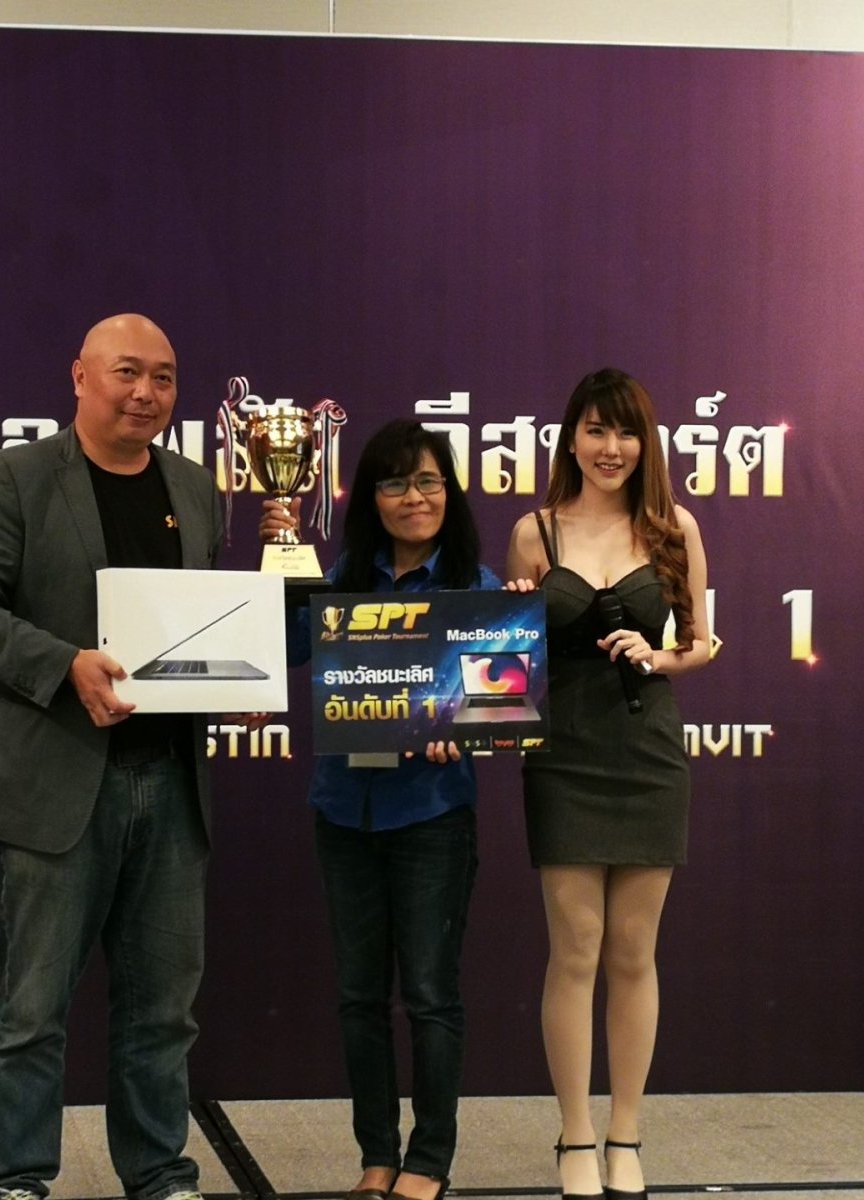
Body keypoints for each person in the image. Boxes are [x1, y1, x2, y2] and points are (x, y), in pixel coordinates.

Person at [0, 314, 219, 1200]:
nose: (147, 393)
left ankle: (159, 1172)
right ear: (80, 377)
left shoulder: (196, 487)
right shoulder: (17, 477)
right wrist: (64, 665)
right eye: (127, 372)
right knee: (32, 1011)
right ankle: (14, 1176)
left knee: (162, 1011)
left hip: (170, 783)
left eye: (164, 377)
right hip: (55, 785)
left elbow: (200, 624)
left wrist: (233, 676)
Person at [262, 420, 531, 1200]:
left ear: (449, 491)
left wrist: (460, 729)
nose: (413, 497)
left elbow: (496, 705)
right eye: (394, 483)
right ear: (371, 499)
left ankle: (429, 1160)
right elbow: (282, 648)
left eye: (427, 481)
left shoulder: (479, 590)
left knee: (430, 996)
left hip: (431, 817)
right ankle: (376, 1155)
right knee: (358, 998)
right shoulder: (343, 577)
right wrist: (279, 562)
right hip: (343, 813)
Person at [505, 369, 712, 1200]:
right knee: (576, 948)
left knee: (633, 949)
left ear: (645, 443)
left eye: (625, 432)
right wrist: (514, 615)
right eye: (595, 429)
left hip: (647, 750)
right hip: (562, 754)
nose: (611, 447)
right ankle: (575, 1135)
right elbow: (506, 665)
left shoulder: (674, 526)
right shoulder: (533, 532)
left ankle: (626, 1131)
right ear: (571, 438)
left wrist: (659, 656)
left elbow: (699, 642)